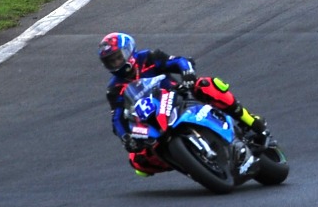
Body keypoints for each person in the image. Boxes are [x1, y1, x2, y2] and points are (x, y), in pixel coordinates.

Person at [98, 33, 267, 175]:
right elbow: (118, 118)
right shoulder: (114, 88)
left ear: (128, 51)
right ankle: (187, 163)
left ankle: (250, 120)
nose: (116, 64)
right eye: (110, 62)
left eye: (118, 58)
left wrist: (187, 73)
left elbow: (178, 61)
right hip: (153, 121)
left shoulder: (148, 57)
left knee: (207, 84)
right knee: (137, 161)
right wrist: (125, 137)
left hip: (178, 97)